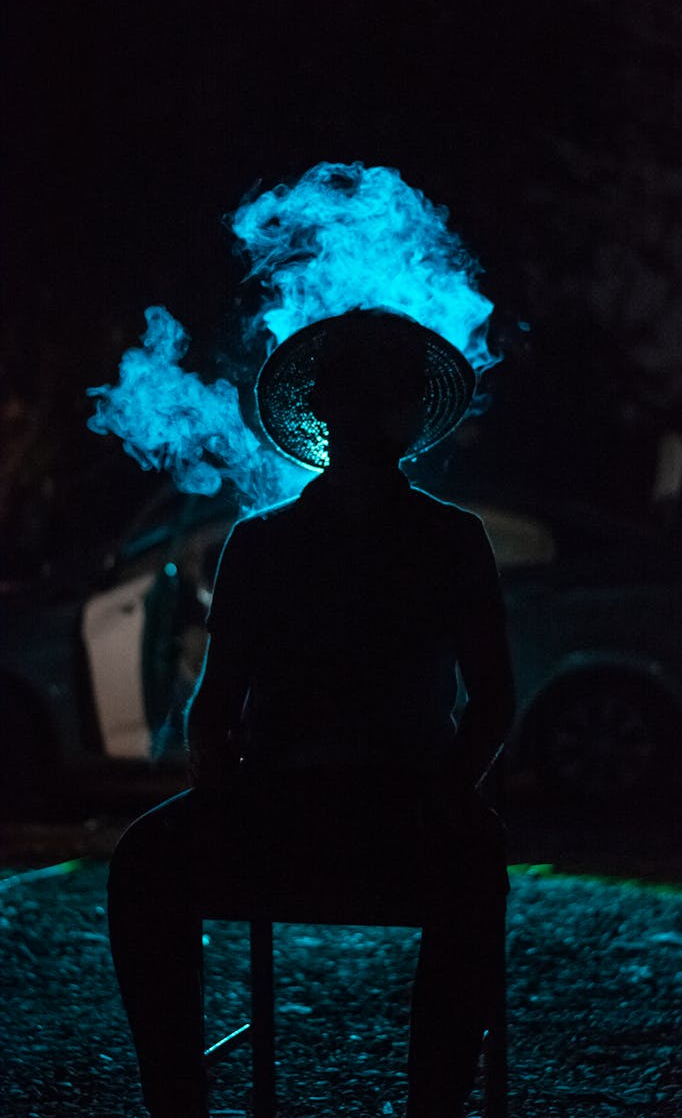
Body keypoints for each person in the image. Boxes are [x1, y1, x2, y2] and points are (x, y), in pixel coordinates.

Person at [108, 307, 516, 1118]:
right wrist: (223, 781)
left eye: (380, 396)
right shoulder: (268, 542)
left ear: (402, 416)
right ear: (326, 408)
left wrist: (443, 792)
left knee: (476, 866)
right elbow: (213, 705)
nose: (364, 414)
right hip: (298, 805)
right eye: (352, 394)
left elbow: (495, 701)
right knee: (141, 863)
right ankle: (178, 1101)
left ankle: (432, 1103)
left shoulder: (444, 540)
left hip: (388, 805)